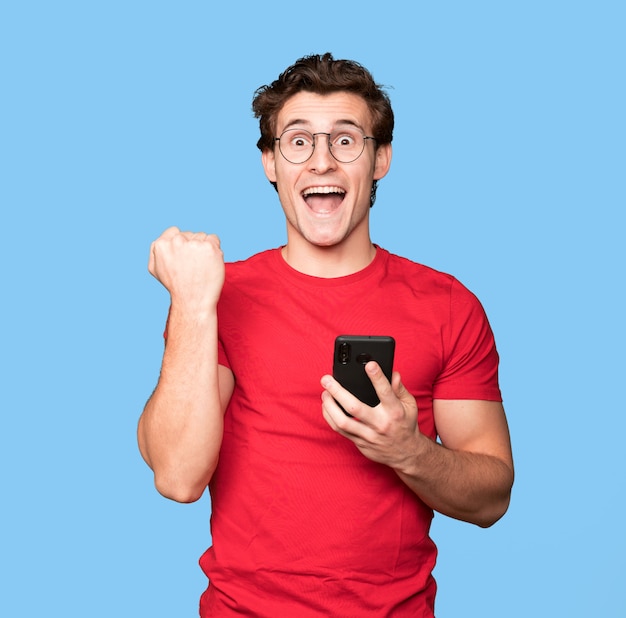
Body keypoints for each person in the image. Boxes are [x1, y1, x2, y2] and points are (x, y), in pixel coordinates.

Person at [138, 52, 514, 617]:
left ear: (381, 159)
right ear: (270, 163)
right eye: (297, 142)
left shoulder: (448, 306)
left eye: (345, 141)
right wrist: (192, 304)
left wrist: (408, 452)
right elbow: (177, 475)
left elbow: (492, 497)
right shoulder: (217, 298)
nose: (321, 163)